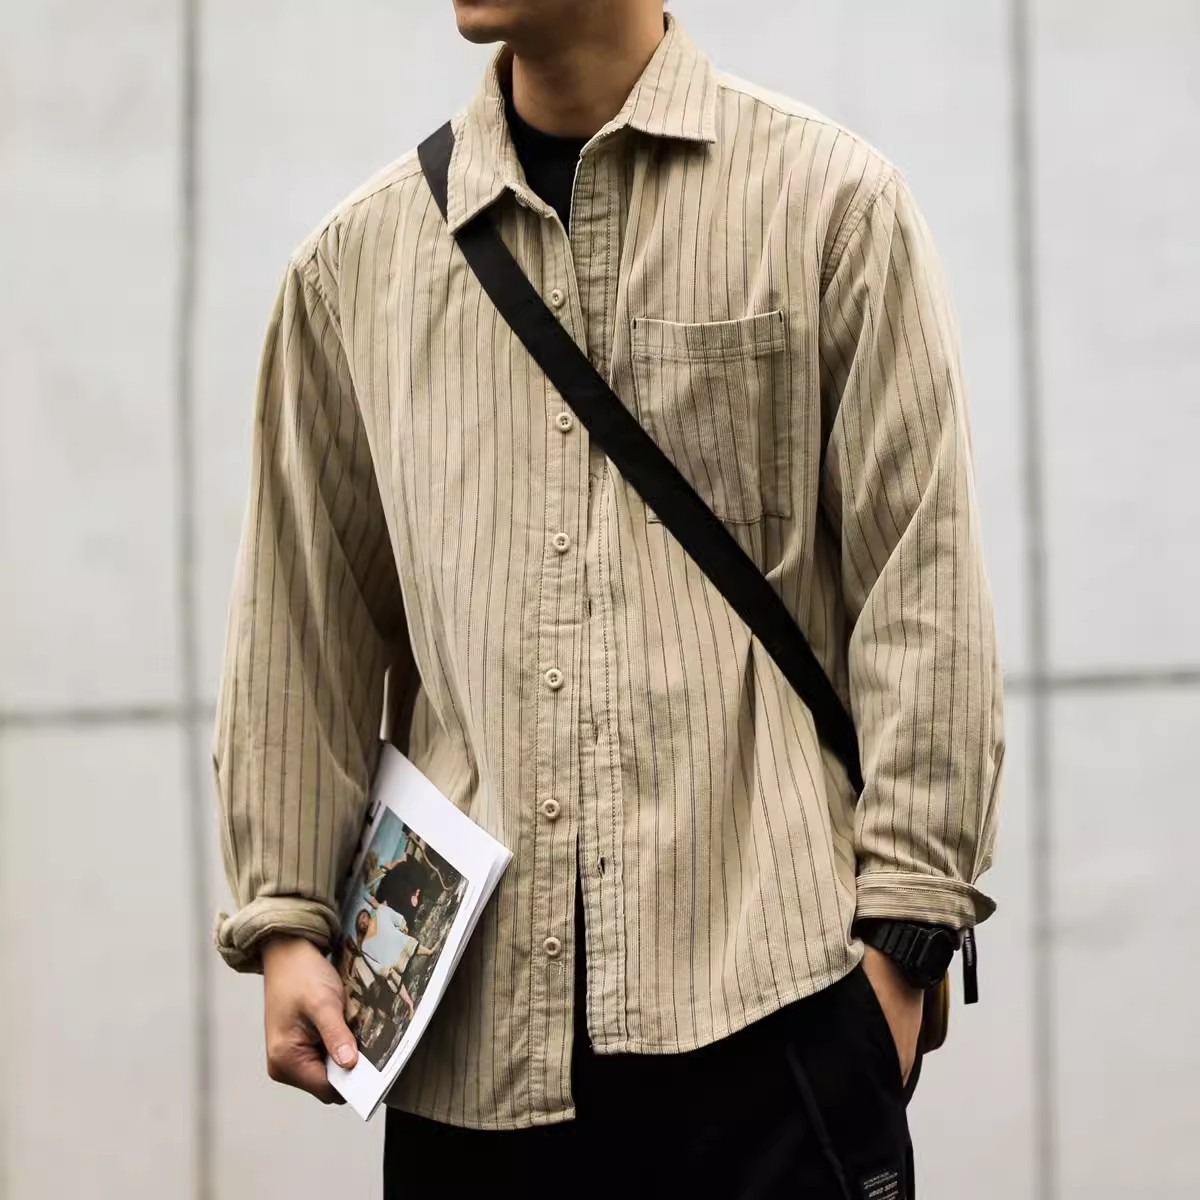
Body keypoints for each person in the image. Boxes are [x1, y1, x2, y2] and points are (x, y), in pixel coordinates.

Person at [211, 2, 1005, 1196]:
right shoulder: (355, 270)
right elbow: (299, 620)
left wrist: (896, 960)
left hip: (775, 1014)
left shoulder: (830, 206)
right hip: (475, 1054)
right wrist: (286, 920)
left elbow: (923, 589)